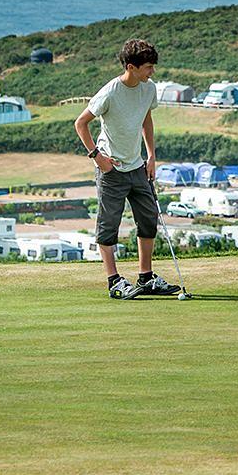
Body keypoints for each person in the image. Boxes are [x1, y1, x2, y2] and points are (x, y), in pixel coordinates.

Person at [73, 39, 179, 299]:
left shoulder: (149, 88)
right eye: (148, 67)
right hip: (111, 169)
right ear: (131, 67)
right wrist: (97, 157)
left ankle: (146, 277)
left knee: (148, 219)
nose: (152, 72)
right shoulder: (110, 92)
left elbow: (146, 119)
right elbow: (80, 123)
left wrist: (151, 156)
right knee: (108, 225)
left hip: (138, 166)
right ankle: (114, 282)